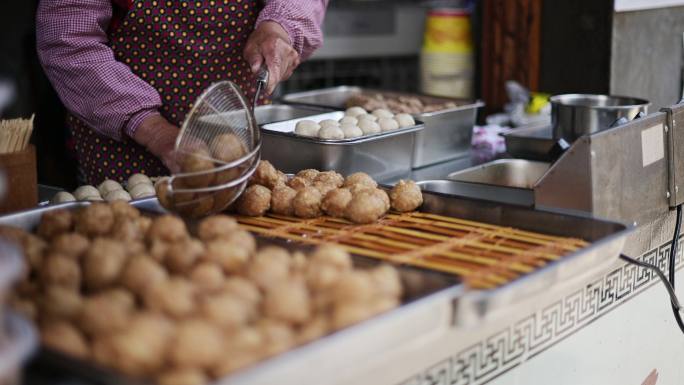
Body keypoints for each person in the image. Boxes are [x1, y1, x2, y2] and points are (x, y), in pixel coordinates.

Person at [36, 0, 328, 184]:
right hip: (125, 156)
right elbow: (68, 40)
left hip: (238, 149)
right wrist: (156, 134)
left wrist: (279, 26)